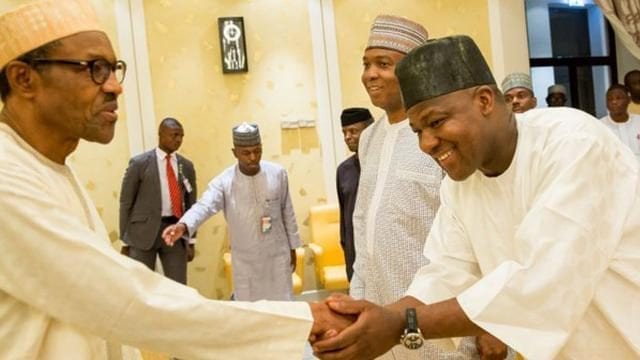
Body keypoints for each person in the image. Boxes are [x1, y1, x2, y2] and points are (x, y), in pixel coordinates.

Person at [0, 1, 351, 358]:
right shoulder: (7, 176)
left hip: (275, 260)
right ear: (23, 79)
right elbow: (128, 302)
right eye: (94, 68)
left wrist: (296, 281)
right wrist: (303, 319)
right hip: (247, 267)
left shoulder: (51, 168)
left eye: (113, 69)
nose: (114, 87)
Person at [312, 35, 640, 360]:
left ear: (484, 101)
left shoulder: (573, 143)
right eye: (417, 131)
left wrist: (401, 323)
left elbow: (540, 283)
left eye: (436, 122)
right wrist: (362, 318)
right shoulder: (460, 184)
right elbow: (445, 276)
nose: (426, 143)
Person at [351, 15, 498, 359]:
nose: (370, 74)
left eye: (383, 64)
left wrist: (488, 322)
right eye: (366, 64)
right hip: (380, 305)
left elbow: (479, 229)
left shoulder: (445, 137)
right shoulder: (368, 138)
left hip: (441, 310)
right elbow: (362, 221)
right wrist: (359, 293)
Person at [163, 123, 302, 301]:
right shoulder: (224, 182)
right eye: (246, 153)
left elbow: (287, 211)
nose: (253, 157)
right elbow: (204, 206)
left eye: (257, 151)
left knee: (283, 308)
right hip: (246, 262)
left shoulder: (277, 173)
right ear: (235, 153)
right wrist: (183, 225)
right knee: (251, 313)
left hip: (276, 256)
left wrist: (293, 247)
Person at [120, 117, 197, 284]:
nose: (178, 140)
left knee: (178, 286)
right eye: (174, 135)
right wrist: (126, 241)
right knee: (141, 285)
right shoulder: (140, 163)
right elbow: (126, 202)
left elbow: (192, 204)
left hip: (174, 231)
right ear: (161, 135)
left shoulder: (186, 166)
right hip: (142, 233)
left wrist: (191, 240)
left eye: (181, 136)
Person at [336, 107, 373, 281]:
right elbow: (344, 217)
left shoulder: (381, 165)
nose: (347, 137)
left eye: (353, 131)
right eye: (344, 132)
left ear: (370, 131)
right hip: (354, 251)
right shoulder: (344, 170)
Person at [600, 84, 640, 161]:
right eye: (609, 99)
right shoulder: (600, 126)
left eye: (619, 98)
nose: (614, 102)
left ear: (629, 100)